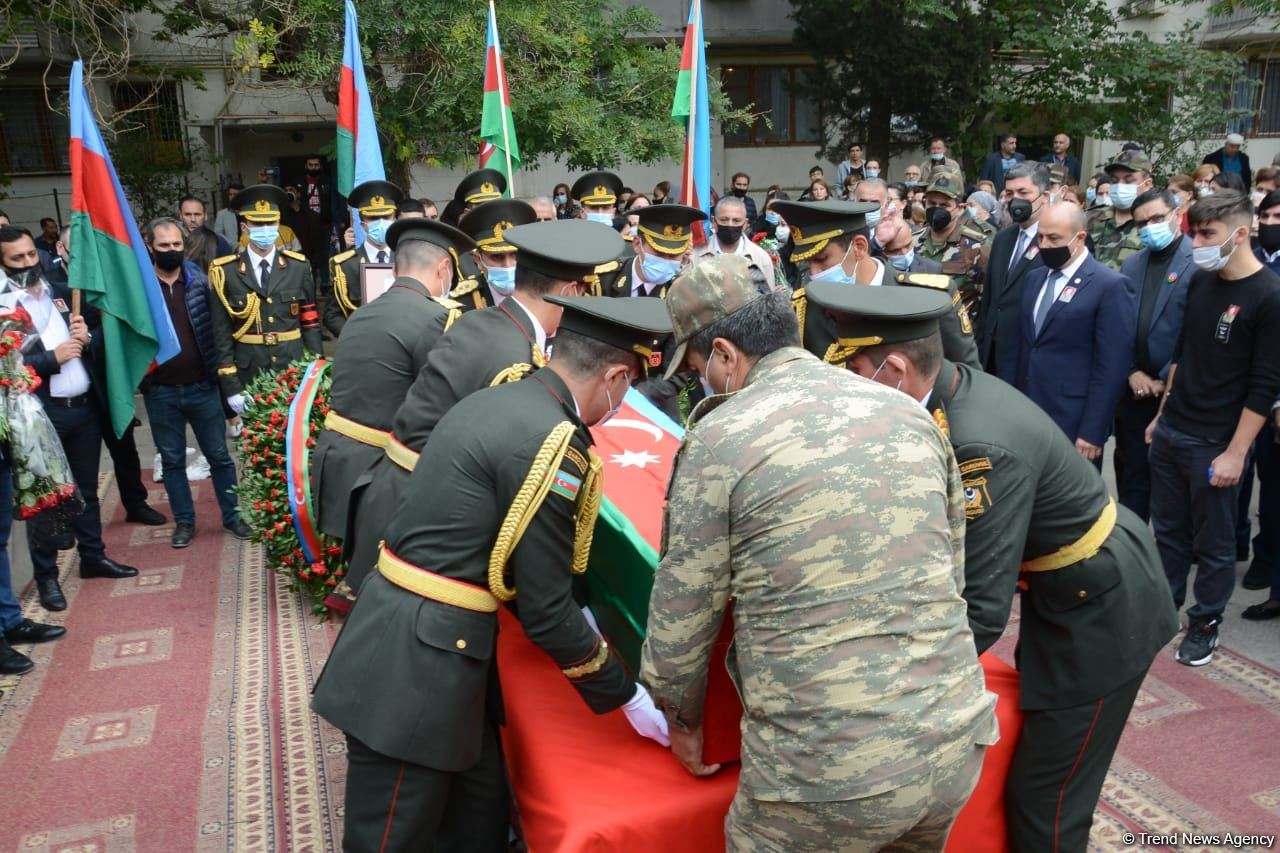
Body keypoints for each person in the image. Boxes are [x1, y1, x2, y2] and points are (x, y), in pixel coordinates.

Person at [641, 255, 997, 852]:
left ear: (726, 355)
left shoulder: (722, 438)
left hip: (823, 775)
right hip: (952, 740)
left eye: (700, 366)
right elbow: (951, 572)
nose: (701, 380)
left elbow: (682, 619)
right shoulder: (908, 414)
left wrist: (679, 718)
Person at [810, 282, 1178, 853]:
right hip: (1065, 585)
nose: (848, 390)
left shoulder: (978, 444)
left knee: (1047, 802)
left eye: (854, 371)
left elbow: (979, 606)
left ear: (897, 368)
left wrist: (884, 689)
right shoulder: (946, 391)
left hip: (1105, 608)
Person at [314, 293, 674, 851]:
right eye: (627, 388)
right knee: (391, 835)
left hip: (434, 647)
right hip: (414, 668)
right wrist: (628, 697)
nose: (622, 402)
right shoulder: (555, 443)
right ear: (616, 376)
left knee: (477, 819)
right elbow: (545, 609)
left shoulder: (504, 396)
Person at [342, 220, 621, 591]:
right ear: (570, 290)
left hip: (392, 491)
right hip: (426, 519)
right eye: (586, 290)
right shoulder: (516, 359)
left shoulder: (483, 322)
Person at [1146, 190, 1280, 666]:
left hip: (1216, 443)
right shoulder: (1202, 283)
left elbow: (1265, 385)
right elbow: (1182, 354)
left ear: (1241, 233)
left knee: (1215, 544)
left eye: (1208, 234)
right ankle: (1162, 612)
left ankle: (1205, 623)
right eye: (1194, 233)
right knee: (1169, 534)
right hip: (1173, 432)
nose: (1198, 242)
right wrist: (1162, 416)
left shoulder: (1268, 295)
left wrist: (1237, 452)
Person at [311, 218, 471, 568]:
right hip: (383, 471)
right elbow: (441, 403)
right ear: (445, 268)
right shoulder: (435, 319)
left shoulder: (361, 314)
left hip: (338, 459)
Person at [0, 226, 140, 614]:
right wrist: (51, 359)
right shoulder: (4, 307)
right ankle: (46, 577)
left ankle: (93, 556)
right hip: (40, 418)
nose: (29, 263)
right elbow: (7, 367)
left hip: (84, 409)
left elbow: (99, 326)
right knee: (46, 499)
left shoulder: (61, 292)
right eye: (18, 258)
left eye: (32, 255)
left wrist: (88, 334)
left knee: (88, 491)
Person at [140, 218, 252, 548]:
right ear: (150, 246)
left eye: (177, 245)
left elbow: (219, 332)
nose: (172, 251)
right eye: (164, 246)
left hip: (203, 387)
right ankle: (185, 523)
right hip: (161, 392)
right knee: (173, 461)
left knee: (219, 456)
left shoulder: (201, 282)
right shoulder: (141, 288)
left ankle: (232, 517)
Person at [999, 202, 1135, 468]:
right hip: (1028, 411)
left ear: (1080, 237)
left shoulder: (1109, 286)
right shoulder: (1035, 279)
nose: (1045, 245)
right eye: (1040, 237)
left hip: (1073, 421)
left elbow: (1111, 367)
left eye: (1054, 238)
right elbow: (1020, 345)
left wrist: (1093, 431)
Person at [54, 226, 165, 527]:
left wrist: (90, 338)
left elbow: (116, 329)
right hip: (68, 393)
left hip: (108, 380)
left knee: (124, 448)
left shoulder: (103, 284)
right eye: (73, 250)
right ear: (60, 250)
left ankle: (136, 503)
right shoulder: (47, 287)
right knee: (73, 460)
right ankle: (72, 517)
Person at [1113, 189, 1195, 521]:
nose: (1150, 227)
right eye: (1142, 223)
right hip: (1133, 393)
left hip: (1176, 394)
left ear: (1177, 214)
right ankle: (1134, 553)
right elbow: (1117, 326)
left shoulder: (1198, 262)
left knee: (1173, 489)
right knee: (1132, 480)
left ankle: (1169, 564)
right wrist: (1131, 371)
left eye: (1157, 218)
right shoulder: (1132, 264)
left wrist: (1165, 379)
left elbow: (1196, 335)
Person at [208, 184, 323, 418]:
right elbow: (221, 334)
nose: (265, 229)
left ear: (279, 225)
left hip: (293, 367)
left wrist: (316, 371)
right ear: (245, 227)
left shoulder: (299, 267)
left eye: (271, 223)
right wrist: (231, 385)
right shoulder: (225, 271)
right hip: (250, 372)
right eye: (258, 224)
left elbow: (310, 322)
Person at [773, 199, 882, 359]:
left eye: (822, 259)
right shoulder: (804, 308)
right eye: (808, 263)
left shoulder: (914, 299)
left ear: (859, 247)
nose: (814, 273)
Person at [977, 162, 1050, 373]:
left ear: (1043, 196)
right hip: (992, 355)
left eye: (1023, 192)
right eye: (1009, 193)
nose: (1015, 199)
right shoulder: (1003, 238)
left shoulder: (1056, 240)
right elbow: (990, 299)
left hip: (1029, 358)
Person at [325, 180, 404, 336]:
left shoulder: (408, 259)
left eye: (386, 216)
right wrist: (355, 337)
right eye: (373, 218)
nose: (381, 222)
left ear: (395, 219)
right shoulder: (345, 265)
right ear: (362, 224)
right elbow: (332, 315)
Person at [915, 171, 994, 325]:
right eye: (931, 203)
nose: (936, 209)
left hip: (957, 336)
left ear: (959, 208)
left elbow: (987, 300)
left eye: (944, 205)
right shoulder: (912, 241)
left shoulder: (977, 246)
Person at [596, 204, 706, 299]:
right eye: (659, 253)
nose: (665, 260)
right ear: (637, 244)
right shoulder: (603, 279)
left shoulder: (684, 293)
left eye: (674, 256)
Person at [451, 198, 538, 311]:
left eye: (516, 255)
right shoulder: (461, 305)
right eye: (497, 257)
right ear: (478, 260)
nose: (508, 265)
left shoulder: (543, 293)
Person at [1089, 149, 1153, 272]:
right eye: (1114, 181)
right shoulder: (1090, 218)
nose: (1120, 185)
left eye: (1128, 181)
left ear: (1147, 184)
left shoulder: (1153, 225)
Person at [691, 196, 775, 283]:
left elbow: (767, 295)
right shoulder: (695, 255)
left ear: (745, 224)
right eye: (724, 220)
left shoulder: (760, 258)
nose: (730, 225)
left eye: (736, 220)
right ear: (713, 221)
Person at [213, 183, 242, 248]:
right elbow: (218, 234)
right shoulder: (222, 214)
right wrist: (236, 245)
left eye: (235, 194)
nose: (232, 197)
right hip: (229, 252)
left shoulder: (249, 213)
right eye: (230, 194)